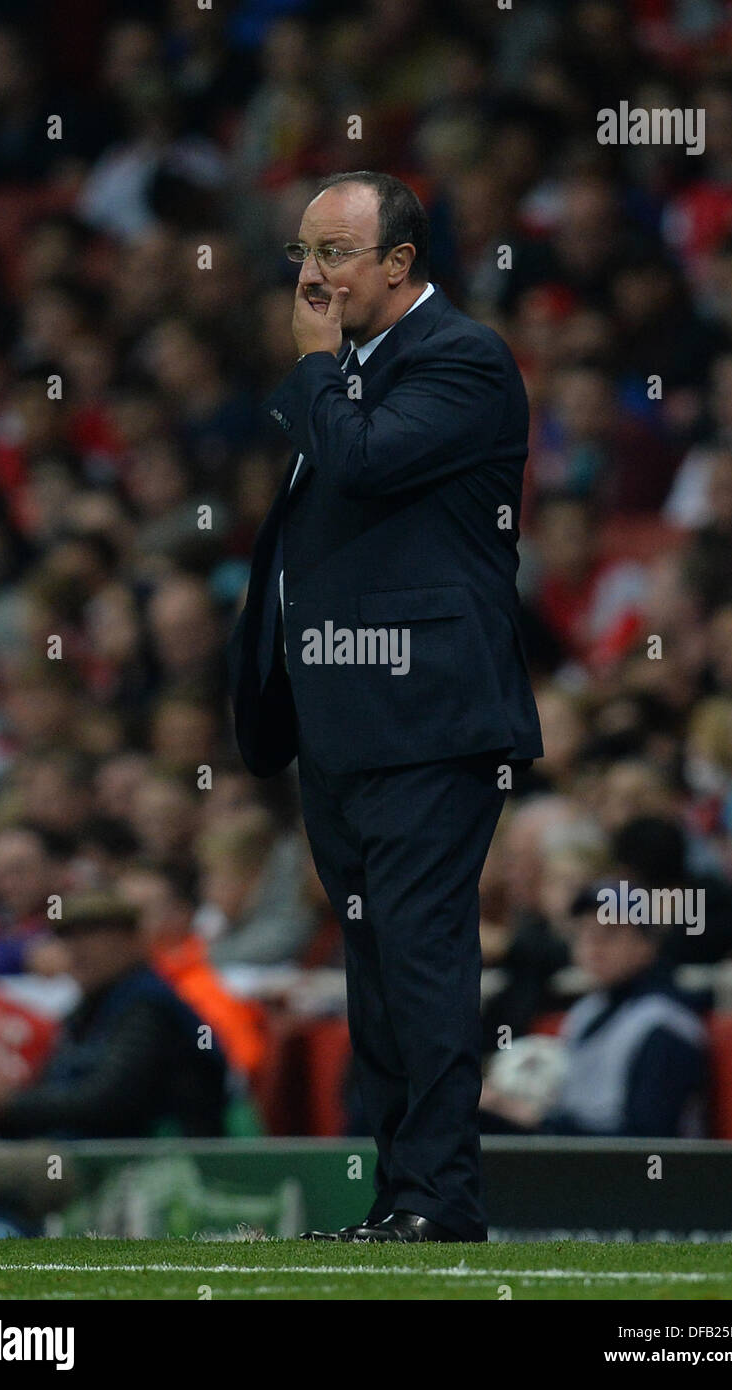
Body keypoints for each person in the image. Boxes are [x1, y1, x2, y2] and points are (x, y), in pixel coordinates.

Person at [228, 171, 542, 1242]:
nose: (310, 277)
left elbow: (359, 463)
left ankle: (441, 1203)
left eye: (335, 253)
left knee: (419, 958)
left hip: (428, 721)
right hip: (345, 722)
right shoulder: (359, 372)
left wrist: (316, 367)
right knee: (374, 970)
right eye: (301, 253)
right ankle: (399, 1197)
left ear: (400, 264)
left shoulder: (460, 360)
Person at [0, 893, 229, 1139]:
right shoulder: (85, 1013)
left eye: (93, 934)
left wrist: (10, 1105)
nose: (77, 948)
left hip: (161, 1171)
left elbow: (109, 1101)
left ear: (134, 940)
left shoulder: (150, 1007)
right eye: (67, 937)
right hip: (98, 1163)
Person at [481, 884, 708, 1138]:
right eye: (585, 933)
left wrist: (536, 1120)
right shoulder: (587, 1011)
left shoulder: (666, 1024)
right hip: (580, 1163)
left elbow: (649, 1140)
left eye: (609, 934)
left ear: (647, 945)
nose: (593, 945)